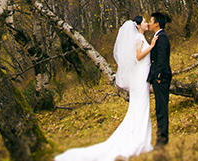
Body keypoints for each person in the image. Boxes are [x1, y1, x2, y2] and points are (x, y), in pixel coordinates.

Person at [54, 16, 156, 161]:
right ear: (139, 26)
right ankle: (140, 141)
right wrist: (151, 47)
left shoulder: (140, 37)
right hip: (139, 79)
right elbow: (138, 56)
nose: (147, 24)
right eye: (145, 22)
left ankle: (142, 138)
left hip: (141, 76)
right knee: (141, 106)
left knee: (140, 107)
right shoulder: (139, 39)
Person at [146, 11, 172, 148]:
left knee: (161, 107)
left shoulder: (162, 38)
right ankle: (161, 137)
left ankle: (162, 139)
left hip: (162, 77)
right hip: (158, 77)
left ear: (156, 23)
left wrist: (158, 76)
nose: (149, 23)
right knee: (159, 107)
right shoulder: (158, 36)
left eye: (151, 21)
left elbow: (161, 59)